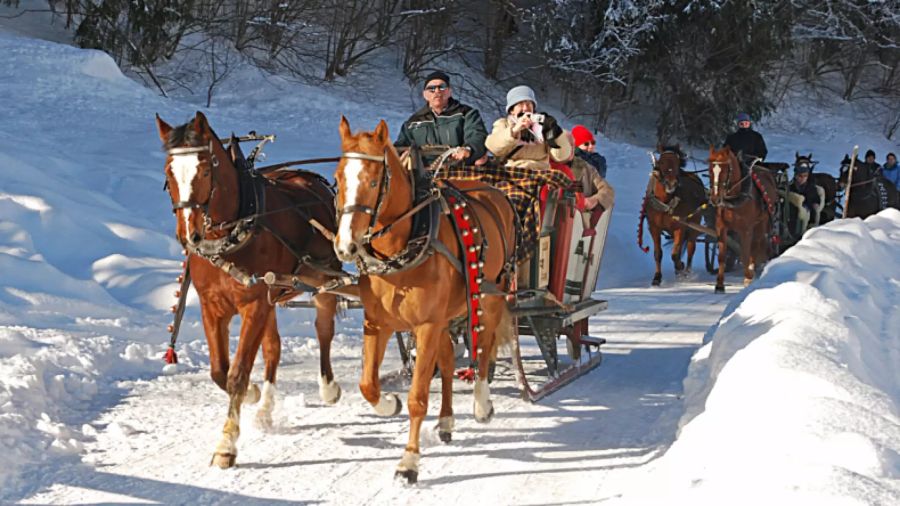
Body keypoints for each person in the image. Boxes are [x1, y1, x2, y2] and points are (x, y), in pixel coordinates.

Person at [394, 71, 487, 166]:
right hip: (422, 174)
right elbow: (399, 148)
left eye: (442, 87)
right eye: (431, 89)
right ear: (425, 95)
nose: (437, 91)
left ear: (449, 91)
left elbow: (477, 136)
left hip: (459, 170)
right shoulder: (412, 123)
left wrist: (468, 149)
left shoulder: (466, 114)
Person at [787, 162, 821, 235]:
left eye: (805, 176)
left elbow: (815, 200)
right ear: (796, 176)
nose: (802, 178)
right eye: (800, 176)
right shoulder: (791, 186)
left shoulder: (811, 188)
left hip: (807, 209)